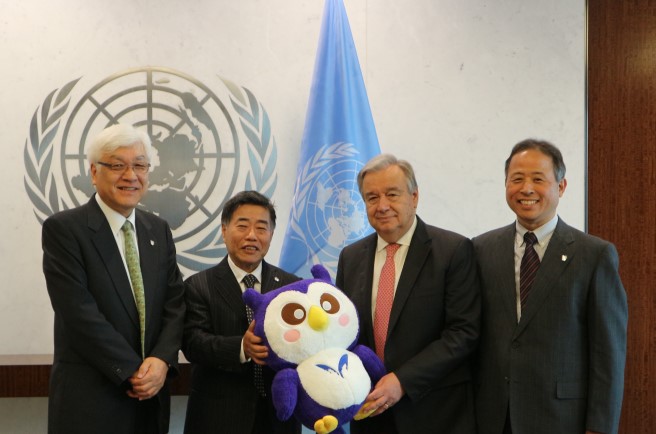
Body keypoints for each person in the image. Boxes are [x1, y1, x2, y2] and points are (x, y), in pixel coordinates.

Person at [473, 139, 628, 434]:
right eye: (516, 179)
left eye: (538, 179)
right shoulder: (481, 249)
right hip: (495, 416)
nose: (526, 189)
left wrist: (600, 427)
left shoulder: (594, 254)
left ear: (561, 186)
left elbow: (608, 353)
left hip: (562, 418)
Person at [42, 123, 185, 434]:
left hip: (151, 400)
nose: (130, 175)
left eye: (139, 165)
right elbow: (79, 313)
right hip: (92, 400)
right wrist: (134, 370)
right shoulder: (65, 230)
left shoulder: (157, 230)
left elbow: (175, 304)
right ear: (94, 172)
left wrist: (161, 361)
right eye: (117, 165)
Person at [336, 154, 480, 434]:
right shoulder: (350, 257)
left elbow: (463, 333)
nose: (382, 206)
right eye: (372, 197)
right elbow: (345, 331)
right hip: (370, 413)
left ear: (414, 197)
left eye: (392, 194)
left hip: (434, 413)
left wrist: (402, 381)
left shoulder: (453, 250)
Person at [182, 190, 302, 434]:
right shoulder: (198, 285)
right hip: (218, 417)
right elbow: (193, 343)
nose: (252, 236)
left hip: (278, 418)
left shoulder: (291, 287)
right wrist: (241, 348)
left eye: (261, 228)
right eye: (242, 226)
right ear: (224, 231)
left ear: (271, 234)